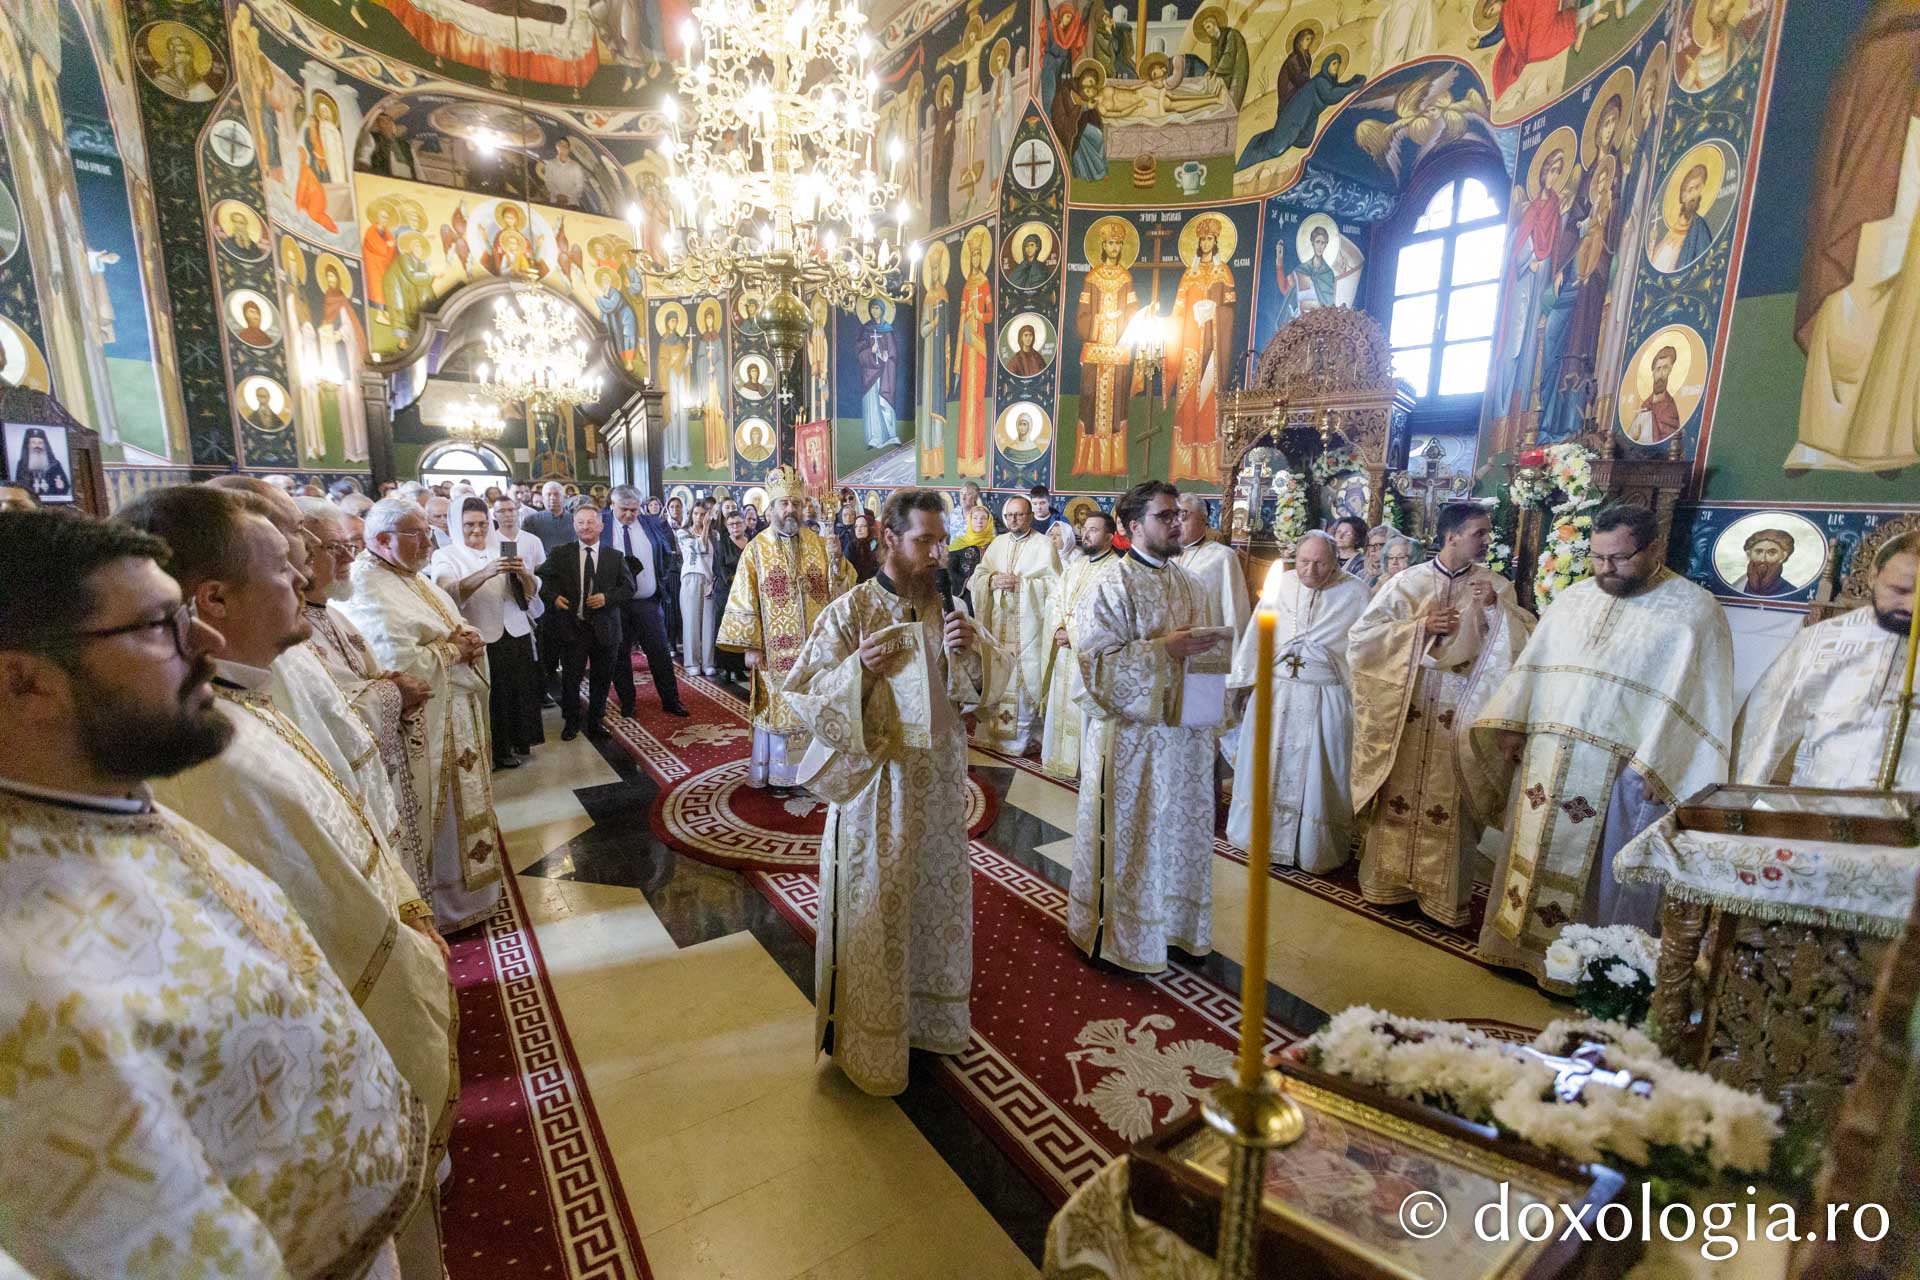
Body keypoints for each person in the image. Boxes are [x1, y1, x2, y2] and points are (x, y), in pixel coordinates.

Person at [0, 509, 428, 1279]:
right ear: (25, 682)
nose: (206, 641)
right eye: (160, 627)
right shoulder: (32, 995)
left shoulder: (101, 806)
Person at [119, 488, 454, 1278]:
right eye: (282, 566)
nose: (304, 577)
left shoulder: (246, 706)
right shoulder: (210, 754)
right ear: (214, 600)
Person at [785, 487, 1006, 1097]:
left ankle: (930, 1023)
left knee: (934, 904)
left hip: (941, 791)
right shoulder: (852, 611)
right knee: (879, 904)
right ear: (889, 538)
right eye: (924, 541)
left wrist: (973, 654)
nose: (938, 553)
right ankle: (872, 1039)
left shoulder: (948, 605)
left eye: (942, 540)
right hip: (879, 795)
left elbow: (984, 685)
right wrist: (858, 669)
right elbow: (802, 692)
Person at [1465, 503, 1733, 988]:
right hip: (1547, 758)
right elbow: (1535, 666)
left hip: (1625, 770)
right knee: (1527, 860)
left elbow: (1704, 695)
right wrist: (1514, 724)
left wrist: (1665, 763)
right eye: (1598, 557)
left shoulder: (1694, 611)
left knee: (1606, 878)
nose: (1606, 569)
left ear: (1653, 548)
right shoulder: (1574, 598)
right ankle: (1517, 953)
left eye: (1620, 558)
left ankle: (1599, 975)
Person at [1347, 502, 1532, 927]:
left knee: (1452, 800)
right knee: (1398, 791)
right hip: (1408, 709)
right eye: (1479, 533)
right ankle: (1387, 883)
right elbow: (1362, 640)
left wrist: (1494, 611)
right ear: (1452, 537)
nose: (1486, 540)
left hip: (1462, 710)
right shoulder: (1406, 582)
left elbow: (1522, 645)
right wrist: (1420, 629)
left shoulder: (1497, 586)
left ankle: (1442, 898)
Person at [1068, 482, 1227, 972]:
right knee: (1135, 838)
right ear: (1133, 526)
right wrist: (1163, 651)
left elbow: (1210, 655)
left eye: (1178, 514)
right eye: (1165, 516)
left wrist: (1214, 713)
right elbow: (1093, 666)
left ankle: (1174, 928)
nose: (1177, 523)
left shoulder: (1193, 584)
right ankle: (1122, 937)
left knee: (1178, 834)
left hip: (1185, 739)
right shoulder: (1109, 585)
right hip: (1131, 743)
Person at [340, 497, 506, 931]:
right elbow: (396, 664)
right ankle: (443, 904)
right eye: (419, 535)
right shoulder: (365, 586)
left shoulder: (411, 577)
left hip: (457, 711)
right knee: (439, 815)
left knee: (463, 804)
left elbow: (449, 624)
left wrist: (466, 639)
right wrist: (453, 650)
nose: (430, 543)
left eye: (429, 533)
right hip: (424, 725)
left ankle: (473, 894)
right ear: (382, 539)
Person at [296, 495, 434, 886]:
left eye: (349, 546)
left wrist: (390, 683)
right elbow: (325, 717)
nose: (349, 557)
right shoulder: (292, 629)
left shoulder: (331, 613)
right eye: (334, 548)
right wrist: (395, 692)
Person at [1227, 530, 1370, 871]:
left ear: (1335, 561)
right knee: (1265, 762)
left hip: (1325, 697)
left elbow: (1367, 651)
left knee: (1321, 773)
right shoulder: (1282, 584)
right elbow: (1257, 634)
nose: (1310, 570)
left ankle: (1311, 850)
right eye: (1304, 561)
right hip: (1276, 692)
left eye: (1320, 563)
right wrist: (1244, 684)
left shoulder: (1356, 592)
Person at [1732, 531, 1918, 790]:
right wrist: (1741, 796)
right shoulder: (1823, 640)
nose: (1912, 606)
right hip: (1815, 801)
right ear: (1873, 576)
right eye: (1899, 590)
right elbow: (1764, 731)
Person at [717, 467, 846, 792]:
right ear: (771, 509)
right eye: (784, 503)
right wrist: (751, 644)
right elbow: (744, 597)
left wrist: (838, 562)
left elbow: (840, 592)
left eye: (795, 503)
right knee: (779, 709)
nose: (790, 509)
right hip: (774, 651)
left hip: (815, 650)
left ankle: (813, 772)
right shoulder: (756, 549)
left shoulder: (819, 545)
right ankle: (781, 775)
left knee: (813, 707)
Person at [432, 498, 542, 768]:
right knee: (494, 696)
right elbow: (447, 593)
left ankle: (520, 740)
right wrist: (485, 572)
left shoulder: (501, 549)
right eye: (469, 524)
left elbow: (531, 591)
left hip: (515, 629)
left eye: (482, 523)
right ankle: (496, 750)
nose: (477, 530)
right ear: (456, 525)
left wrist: (524, 573)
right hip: (481, 635)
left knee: (519, 689)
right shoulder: (446, 555)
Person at [972, 495, 1063, 754]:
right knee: (997, 676)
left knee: (1025, 678)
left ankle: (1024, 737)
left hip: (1028, 631)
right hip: (997, 626)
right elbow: (979, 575)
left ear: (1030, 516)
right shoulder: (997, 543)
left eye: (1019, 514)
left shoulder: (1044, 545)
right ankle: (992, 735)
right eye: (1009, 515)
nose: (1013, 519)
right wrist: (991, 581)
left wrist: (1022, 585)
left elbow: (1055, 586)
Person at [540, 503, 634, 740]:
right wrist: (554, 597)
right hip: (573, 627)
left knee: (601, 680)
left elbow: (629, 587)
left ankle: (595, 722)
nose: (585, 527)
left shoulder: (615, 556)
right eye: (580, 522)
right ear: (574, 526)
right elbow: (542, 580)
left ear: (601, 526)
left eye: (590, 522)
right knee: (571, 679)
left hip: (606, 629)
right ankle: (571, 722)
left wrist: (607, 598)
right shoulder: (561, 553)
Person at [1040, 509, 1118, 778]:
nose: (1086, 534)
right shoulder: (1076, 565)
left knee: (1086, 713)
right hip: (1064, 650)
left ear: (1109, 537)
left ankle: (1086, 766)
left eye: (1094, 530)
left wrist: (1073, 635)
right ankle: (1057, 759)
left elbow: (1110, 616)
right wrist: (1058, 627)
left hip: (1089, 655)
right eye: (1085, 529)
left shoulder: (1117, 570)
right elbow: (1055, 600)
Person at [601, 485, 690, 716]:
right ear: (612, 505)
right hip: (616, 605)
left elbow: (667, 553)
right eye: (624, 509)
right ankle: (628, 703)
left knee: (660, 652)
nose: (629, 514)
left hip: (647, 602)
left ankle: (671, 700)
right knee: (620, 655)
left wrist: (660, 580)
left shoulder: (651, 523)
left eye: (634, 509)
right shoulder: (602, 526)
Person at [1174, 494, 1252, 646]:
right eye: (1173, 515)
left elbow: (1235, 610)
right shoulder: (1163, 555)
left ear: (1203, 519)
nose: (1177, 522)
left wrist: (1236, 651)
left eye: (1183, 515)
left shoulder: (1222, 556)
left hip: (1206, 646)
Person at [678, 501, 718, 676]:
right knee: (691, 621)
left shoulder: (714, 535)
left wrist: (714, 581)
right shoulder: (683, 533)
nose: (699, 517)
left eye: (703, 514)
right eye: (696, 514)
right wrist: (706, 527)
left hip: (709, 579)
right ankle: (692, 662)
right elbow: (699, 548)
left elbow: (716, 558)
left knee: (709, 622)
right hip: (691, 577)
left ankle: (708, 662)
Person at [711, 509, 751, 682]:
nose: (735, 527)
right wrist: (740, 579)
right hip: (726, 592)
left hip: (746, 593)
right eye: (731, 524)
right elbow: (720, 569)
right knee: (726, 629)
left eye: (738, 523)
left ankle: (739, 667)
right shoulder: (722, 544)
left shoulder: (752, 543)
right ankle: (726, 668)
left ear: (745, 524)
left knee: (742, 628)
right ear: (727, 527)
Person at [947, 504, 997, 610]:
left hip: (992, 593)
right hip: (966, 595)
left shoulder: (997, 543)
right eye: (975, 518)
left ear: (989, 521)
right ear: (970, 520)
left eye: (983, 518)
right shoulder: (959, 543)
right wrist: (966, 583)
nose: (979, 521)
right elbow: (950, 569)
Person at [846, 512, 882, 582]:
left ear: (870, 528)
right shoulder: (851, 545)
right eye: (856, 526)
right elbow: (846, 568)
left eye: (863, 526)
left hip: (874, 584)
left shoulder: (877, 545)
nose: (859, 530)